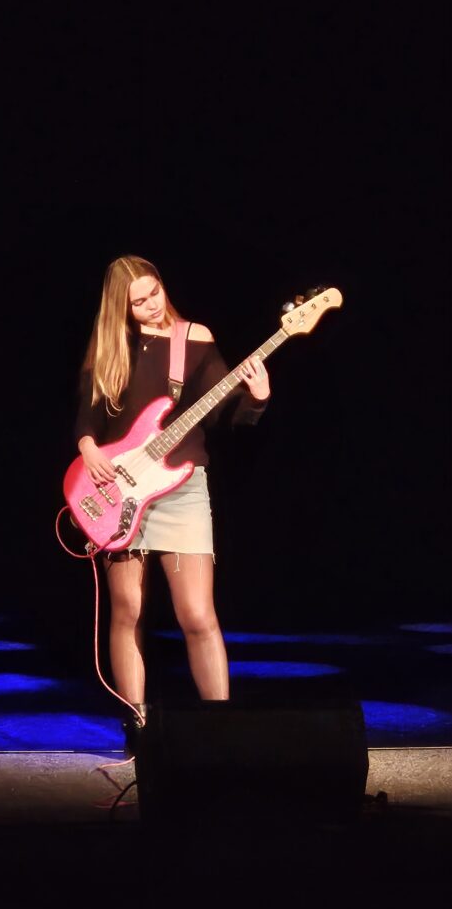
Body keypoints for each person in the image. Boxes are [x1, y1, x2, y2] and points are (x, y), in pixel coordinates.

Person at [74, 255, 270, 731]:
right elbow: (88, 414)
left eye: (154, 293)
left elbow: (222, 413)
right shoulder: (111, 346)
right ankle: (138, 729)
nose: (151, 305)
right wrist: (87, 445)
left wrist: (256, 399)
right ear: (120, 307)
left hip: (182, 487)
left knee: (198, 614)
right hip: (119, 489)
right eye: (138, 302)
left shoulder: (194, 338)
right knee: (128, 610)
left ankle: (220, 730)